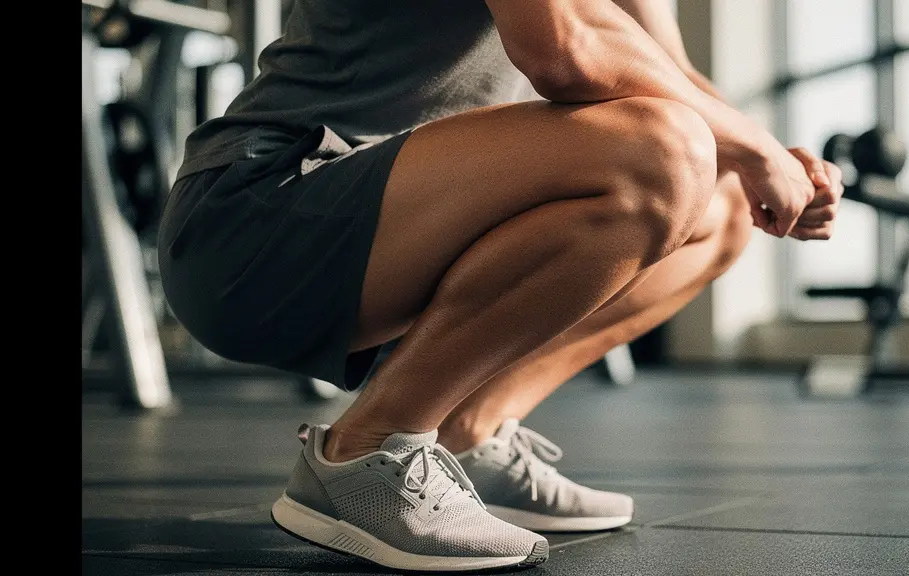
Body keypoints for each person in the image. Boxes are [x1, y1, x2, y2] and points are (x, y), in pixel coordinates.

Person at [157, 0, 844, 572]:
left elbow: (674, 74)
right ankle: (365, 454)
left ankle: (467, 431)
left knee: (721, 204)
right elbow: (564, 52)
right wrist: (753, 146)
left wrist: (778, 160)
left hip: (404, 224)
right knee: (661, 151)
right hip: (257, 217)